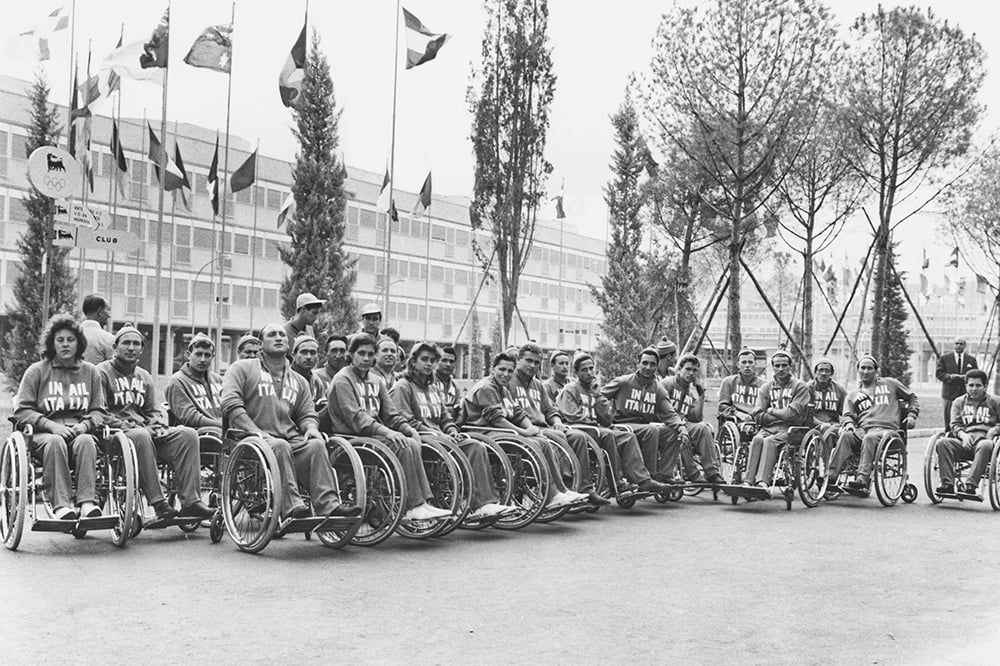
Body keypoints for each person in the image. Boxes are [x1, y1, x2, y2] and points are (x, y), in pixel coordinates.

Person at [220, 323, 361, 521]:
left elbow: (306, 413)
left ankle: (330, 506)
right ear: (261, 345)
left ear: (288, 344)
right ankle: (292, 507)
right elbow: (230, 404)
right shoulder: (241, 368)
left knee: (316, 445)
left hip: (288, 439)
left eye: (281, 335)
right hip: (250, 438)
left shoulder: (298, 381)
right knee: (279, 445)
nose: (278, 338)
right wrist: (255, 431)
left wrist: (311, 428)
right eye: (272, 335)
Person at [326, 333, 452, 522]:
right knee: (402, 445)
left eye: (370, 354)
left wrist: (409, 430)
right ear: (351, 355)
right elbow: (357, 418)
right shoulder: (342, 379)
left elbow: (391, 415)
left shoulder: (377, 381)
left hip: (373, 438)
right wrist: (388, 432)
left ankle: (424, 502)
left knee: (409, 441)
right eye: (361, 353)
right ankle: (413, 505)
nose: (366, 358)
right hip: (349, 439)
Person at [97, 326, 213, 521]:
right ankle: (159, 503)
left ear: (142, 349)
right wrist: (134, 428)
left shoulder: (144, 376)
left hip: (146, 434)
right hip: (116, 436)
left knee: (188, 434)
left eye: (136, 344)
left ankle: (191, 501)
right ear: (115, 347)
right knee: (141, 436)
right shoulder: (101, 373)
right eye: (126, 343)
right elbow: (99, 412)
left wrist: (157, 424)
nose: (131, 348)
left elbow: (154, 409)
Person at [391, 341, 513, 521]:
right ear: (413, 361)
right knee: (463, 446)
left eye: (432, 360)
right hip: (421, 438)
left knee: (475, 446)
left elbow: (445, 417)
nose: (429, 364)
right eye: (424, 359)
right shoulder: (403, 387)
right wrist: (437, 433)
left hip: (440, 437)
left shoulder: (432, 387)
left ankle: (484, 503)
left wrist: (451, 430)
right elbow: (406, 420)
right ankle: (423, 504)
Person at [463, 352, 591, 510]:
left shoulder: (503, 389)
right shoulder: (486, 388)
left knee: (543, 441)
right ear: (492, 368)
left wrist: (530, 427)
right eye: (502, 369)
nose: (506, 374)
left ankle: (559, 491)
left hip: (497, 431)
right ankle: (550, 493)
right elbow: (496, 419)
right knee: (533, 443)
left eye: (510, 371)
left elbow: (517, 413)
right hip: (484, 431)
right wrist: (523, 433)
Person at [14, 314, 108, 521]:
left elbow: (99, 410)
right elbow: (21, 411)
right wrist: (50, 426)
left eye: (70, 340)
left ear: (79, 343)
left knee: (85, 441)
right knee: (55, 442)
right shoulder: (36, 371)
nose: (65, 345)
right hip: (44, 435)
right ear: (52, 343)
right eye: (60, 340)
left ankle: (87, 503)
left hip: (78, 432)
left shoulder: (91, 372)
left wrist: (85, 426)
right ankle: (62, 506)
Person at [510, 343, 609, 506]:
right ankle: (565, 482)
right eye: (528, 361)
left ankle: (585, 487)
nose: (532, 365)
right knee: (557, 436)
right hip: (525, 429)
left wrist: (556, 421)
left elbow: (549, 409)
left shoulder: (538, 385)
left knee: (578, 436)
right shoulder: (509, 381)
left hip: (544, 427)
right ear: (518, 360)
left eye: (536, 362)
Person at [558, 352, 666, 495]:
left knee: (628, 437)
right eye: (584, 370)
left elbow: (607, 419)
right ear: (576, 372)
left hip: (597, 430)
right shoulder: (571, 389)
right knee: (608, 434)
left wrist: (598, 396)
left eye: (591, 368)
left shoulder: (593, 390)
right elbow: (572, 416)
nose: (589, 373)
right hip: (581, 430)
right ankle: (616, 482)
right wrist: (595, 423)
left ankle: (643, 480)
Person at [827, 354, 920, 490]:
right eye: (862, 368)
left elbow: (912, 397)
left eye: (869, 368)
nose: (865, 371)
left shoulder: (890, 384)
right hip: (864, 431)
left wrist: (912, 415)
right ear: (858, 370)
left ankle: (862, 479)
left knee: (870, 438)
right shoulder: (853, 395)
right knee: (846, 436)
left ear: (876, 371)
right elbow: (847, 415)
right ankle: (830, 476)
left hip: (888, 432)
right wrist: (849, 424)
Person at [601, 347, 687, 485]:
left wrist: (681, 428)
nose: (648, 367)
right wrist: (603, 415)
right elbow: (599, 396)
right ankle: (648, 477)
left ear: (657, 366)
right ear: (638, 363)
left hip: (644, 427)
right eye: (645, 363)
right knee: (651, 431)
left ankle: (663, 474)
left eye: (652, 364)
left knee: (673, 432)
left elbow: (670, 413)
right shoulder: (623, 382)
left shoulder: (658, 389)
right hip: (622, 425)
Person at [743, 350, 811, 489]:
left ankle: (763, 482)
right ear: (772, 367)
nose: (780, 369)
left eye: (784, 365)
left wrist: (771, 411)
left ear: (791, 367)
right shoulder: (765, 388)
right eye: (777, 365)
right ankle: (748, 482)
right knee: (757, 439)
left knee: (769, 441)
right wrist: (779, 414)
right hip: (769, 428)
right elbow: (757, 415)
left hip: (792, 430)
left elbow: (792, 415)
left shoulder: (800, 387)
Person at [662, 353, 726, 485]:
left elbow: (696, 418)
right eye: (688, 369)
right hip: (664, 425)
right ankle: (692, 473)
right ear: (679, 369)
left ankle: (712, 472)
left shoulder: (689, 393)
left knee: (703, 428)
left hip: (682, 425)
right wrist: (679, 423)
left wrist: (701, 393)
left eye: (694, 370)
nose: (691, 373)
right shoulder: (666, 384)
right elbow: (658, 409)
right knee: (680, 432)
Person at [935, 369, 1000, 496]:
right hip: (963, 442)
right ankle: (947, 484)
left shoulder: (995, 402)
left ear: (985, 386)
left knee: (985, 444)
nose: (974, 389)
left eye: (978, 385)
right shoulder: (959, 402)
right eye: (970, 385)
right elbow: (954, 424)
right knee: (943, 443)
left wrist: (994, 430)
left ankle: (970, 485)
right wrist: (962, 435)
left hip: (985, 443)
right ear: (966, 386)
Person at [164, 333, 223, 433]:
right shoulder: (177, 381)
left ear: (213, 357)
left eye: (207, 355)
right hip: (197, 433)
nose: (203, 359)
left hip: (221, 430)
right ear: (188, 355)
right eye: (198, 354)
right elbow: (190, 418)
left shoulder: (217, 379)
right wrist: (222, 425)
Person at [936, 337, 978, 431]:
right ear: (953, 345)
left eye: (961, 344)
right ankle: (948, 434)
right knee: (949, 417)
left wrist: (966, 377)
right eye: (956, 343)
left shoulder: (971, 359)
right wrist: (950, 377)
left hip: (965, 394)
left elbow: (975, 374)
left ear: (965, 346)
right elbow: (939, 373)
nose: (958, 345)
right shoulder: (944, 358)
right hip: (949, 394)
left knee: (966, 416)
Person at [808, 357, 846, 460]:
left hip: (834, 425)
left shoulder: (839, 390)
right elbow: (806, 415)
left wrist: (844, 424)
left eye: (827, 370)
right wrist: (822, 424)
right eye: (821, 370)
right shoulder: (808, 388)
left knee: (846, 433)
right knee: (827, 430)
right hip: (812, 425)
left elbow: (844, 412)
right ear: (815, 372)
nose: (823, 373)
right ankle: (823, 465)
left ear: (831, 373)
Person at [718, 349, 762, 424]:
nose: (747, 365)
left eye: (750, 362)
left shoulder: (763, 384)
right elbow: (722, 407)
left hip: (756, 421)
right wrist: (738, 414)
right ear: (738, 365)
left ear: (755, 364)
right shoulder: (728, 382)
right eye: (744, 362)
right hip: (735, 420)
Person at [289, 334, 326, 411]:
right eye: (304, 352)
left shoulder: (317, 382)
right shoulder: (285, 378)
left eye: (312, 352)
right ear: (294, 355)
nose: (309, 357)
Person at [80, 294, 115, 365]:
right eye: (108, 310)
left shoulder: (71, 336)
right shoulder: (109, 339)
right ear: (100, 312)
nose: (109, 315)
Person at [434, 345, 461, 420]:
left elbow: (459, 410)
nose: (448, 364)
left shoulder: (455, 387)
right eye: (444, 360)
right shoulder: (429, 381)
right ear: (436, 362)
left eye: (451, 361)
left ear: (455, 365)